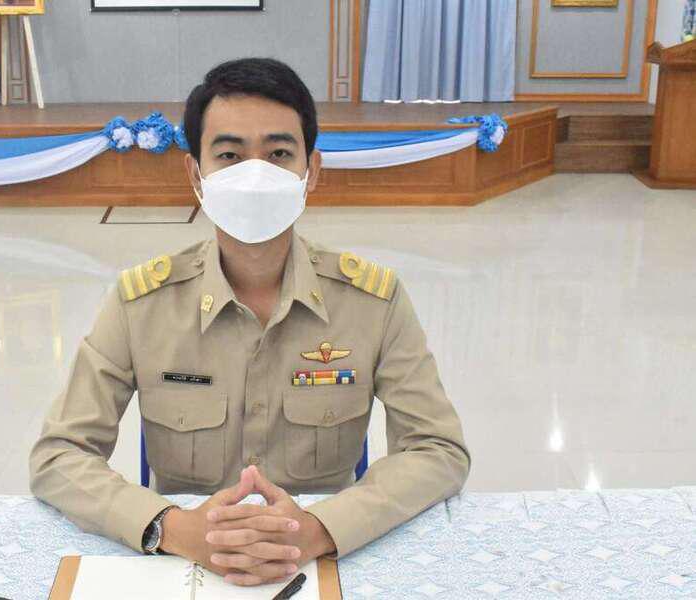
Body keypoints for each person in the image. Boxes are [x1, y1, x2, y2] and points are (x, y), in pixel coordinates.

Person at [29, 57, 470, 587]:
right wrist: (172, 527)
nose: (255, 174)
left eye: (279, 154)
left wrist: (319, 528)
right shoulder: (139, 304)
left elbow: (437, 449)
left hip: (317, 563)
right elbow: (59, 455)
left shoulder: (374, 302)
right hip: (185, 566)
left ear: (312, 171)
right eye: (230, 155)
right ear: (196, 174)